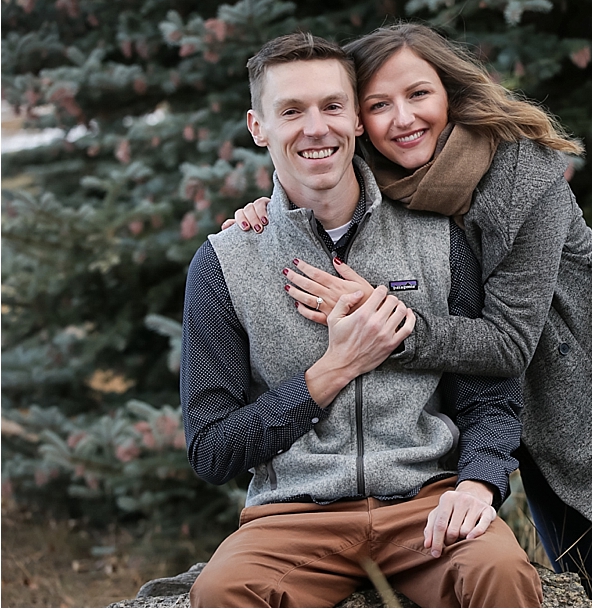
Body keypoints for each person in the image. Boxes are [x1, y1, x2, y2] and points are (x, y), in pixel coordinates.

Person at [227, 23, 592, 608]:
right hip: (532, 417)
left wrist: (381, 319)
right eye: (378, 105)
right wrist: (269, 213)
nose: (402, 119)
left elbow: (506, 343)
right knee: (579, 587)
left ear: (450, 92)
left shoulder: (523, 176)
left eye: (419, 94)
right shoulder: (391, 175)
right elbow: (311, 159)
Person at [181, 32, 542, 608]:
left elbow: (488, 397)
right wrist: (333, 370)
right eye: (291, 111)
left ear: (355, 120)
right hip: (290, 521)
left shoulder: (437, 239)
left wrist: (478, 483)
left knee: (501, 572)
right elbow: (211, 448)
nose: (315, 127)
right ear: (258, 127)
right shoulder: (226, 263)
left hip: (425, 503)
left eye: (331, 106)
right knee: (222, 593)